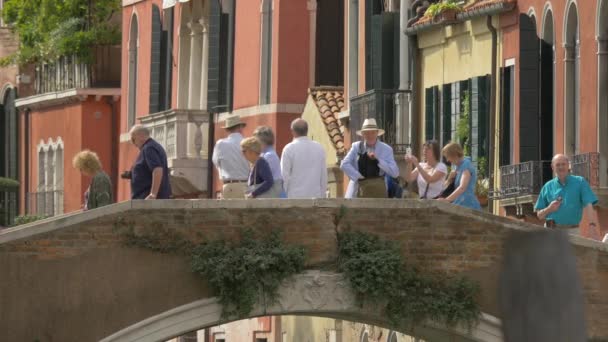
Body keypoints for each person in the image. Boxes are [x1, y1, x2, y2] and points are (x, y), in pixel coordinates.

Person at [535, 154, 600, 238]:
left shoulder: (580, 182)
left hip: (573, 232)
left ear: (568, 165)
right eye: (557, 165)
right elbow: (539, 215)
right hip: (551, 232)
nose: (561, 167)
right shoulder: (547, 186)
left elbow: (589, 204)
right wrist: (549, 209)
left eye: (563, 164)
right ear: (552, 167)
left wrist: (592, 225)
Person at [340, 118, 399, 198]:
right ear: (363, 134)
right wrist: (359, 177)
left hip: (378, 191)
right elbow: (344, 164)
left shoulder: (386, 149)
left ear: (377, 133)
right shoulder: (356, 146)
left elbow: (395, 173)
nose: (370, 135)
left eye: (372, 132)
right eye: (367, 133)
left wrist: (378, 160)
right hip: (357, 190)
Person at [280, 119, 328, 198]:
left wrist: (283, 198)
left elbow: (284, 176)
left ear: (292, 131)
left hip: (295, 198)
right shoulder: (319, 148)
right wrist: (321, 196)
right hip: (315, 198)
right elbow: (323, 176)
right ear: (307, 130)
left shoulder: (289, 149)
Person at [212, 115, 251, 199]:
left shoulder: (220, 144)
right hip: (246, 186)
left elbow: (216, 163)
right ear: (240, 127)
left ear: (227, 129)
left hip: (228, 186)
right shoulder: (248, 143)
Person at [129, 124, 172, 199]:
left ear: (140, 136)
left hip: (147, 199)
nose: (133, 143)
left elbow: (157, 169)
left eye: (133, 139)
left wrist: (153, 194)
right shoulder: (152, 146)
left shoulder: (149, 148)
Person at [437, 142, 480, 210]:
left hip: (467, 204)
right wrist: (449, 179)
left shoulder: (466, 165)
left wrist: (447, 200)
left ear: (454, 155)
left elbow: (462, 187)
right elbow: (444, 188)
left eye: (448, 157)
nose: (448, 160)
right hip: (459, 203)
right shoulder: (457, 167)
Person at [253, 126, 286, 198]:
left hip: (270, 193)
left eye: (256, 142)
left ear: (263, 141)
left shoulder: (269, 155)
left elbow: (265, 179)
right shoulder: (265, 154)